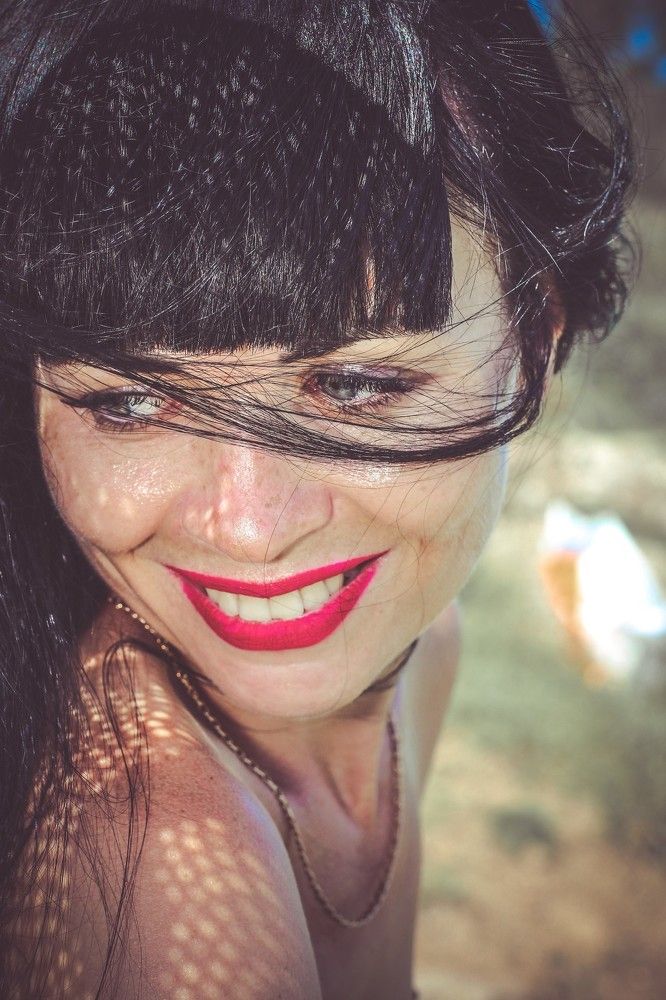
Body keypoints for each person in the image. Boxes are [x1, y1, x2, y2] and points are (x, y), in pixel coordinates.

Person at [0, 1, 633, 997]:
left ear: (534, 339)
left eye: (354, 384)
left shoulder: (419, 649)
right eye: (129, 401)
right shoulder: (170, 903)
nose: (250, 527)